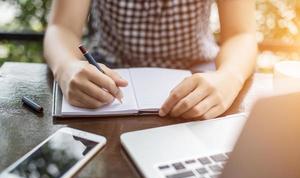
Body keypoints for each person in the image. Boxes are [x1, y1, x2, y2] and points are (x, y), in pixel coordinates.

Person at [44, 0, 257, 120]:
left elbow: (241, 34)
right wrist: (66, 67)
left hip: (200, 79)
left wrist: (230, 76)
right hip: (107, 77)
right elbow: (61, 28)